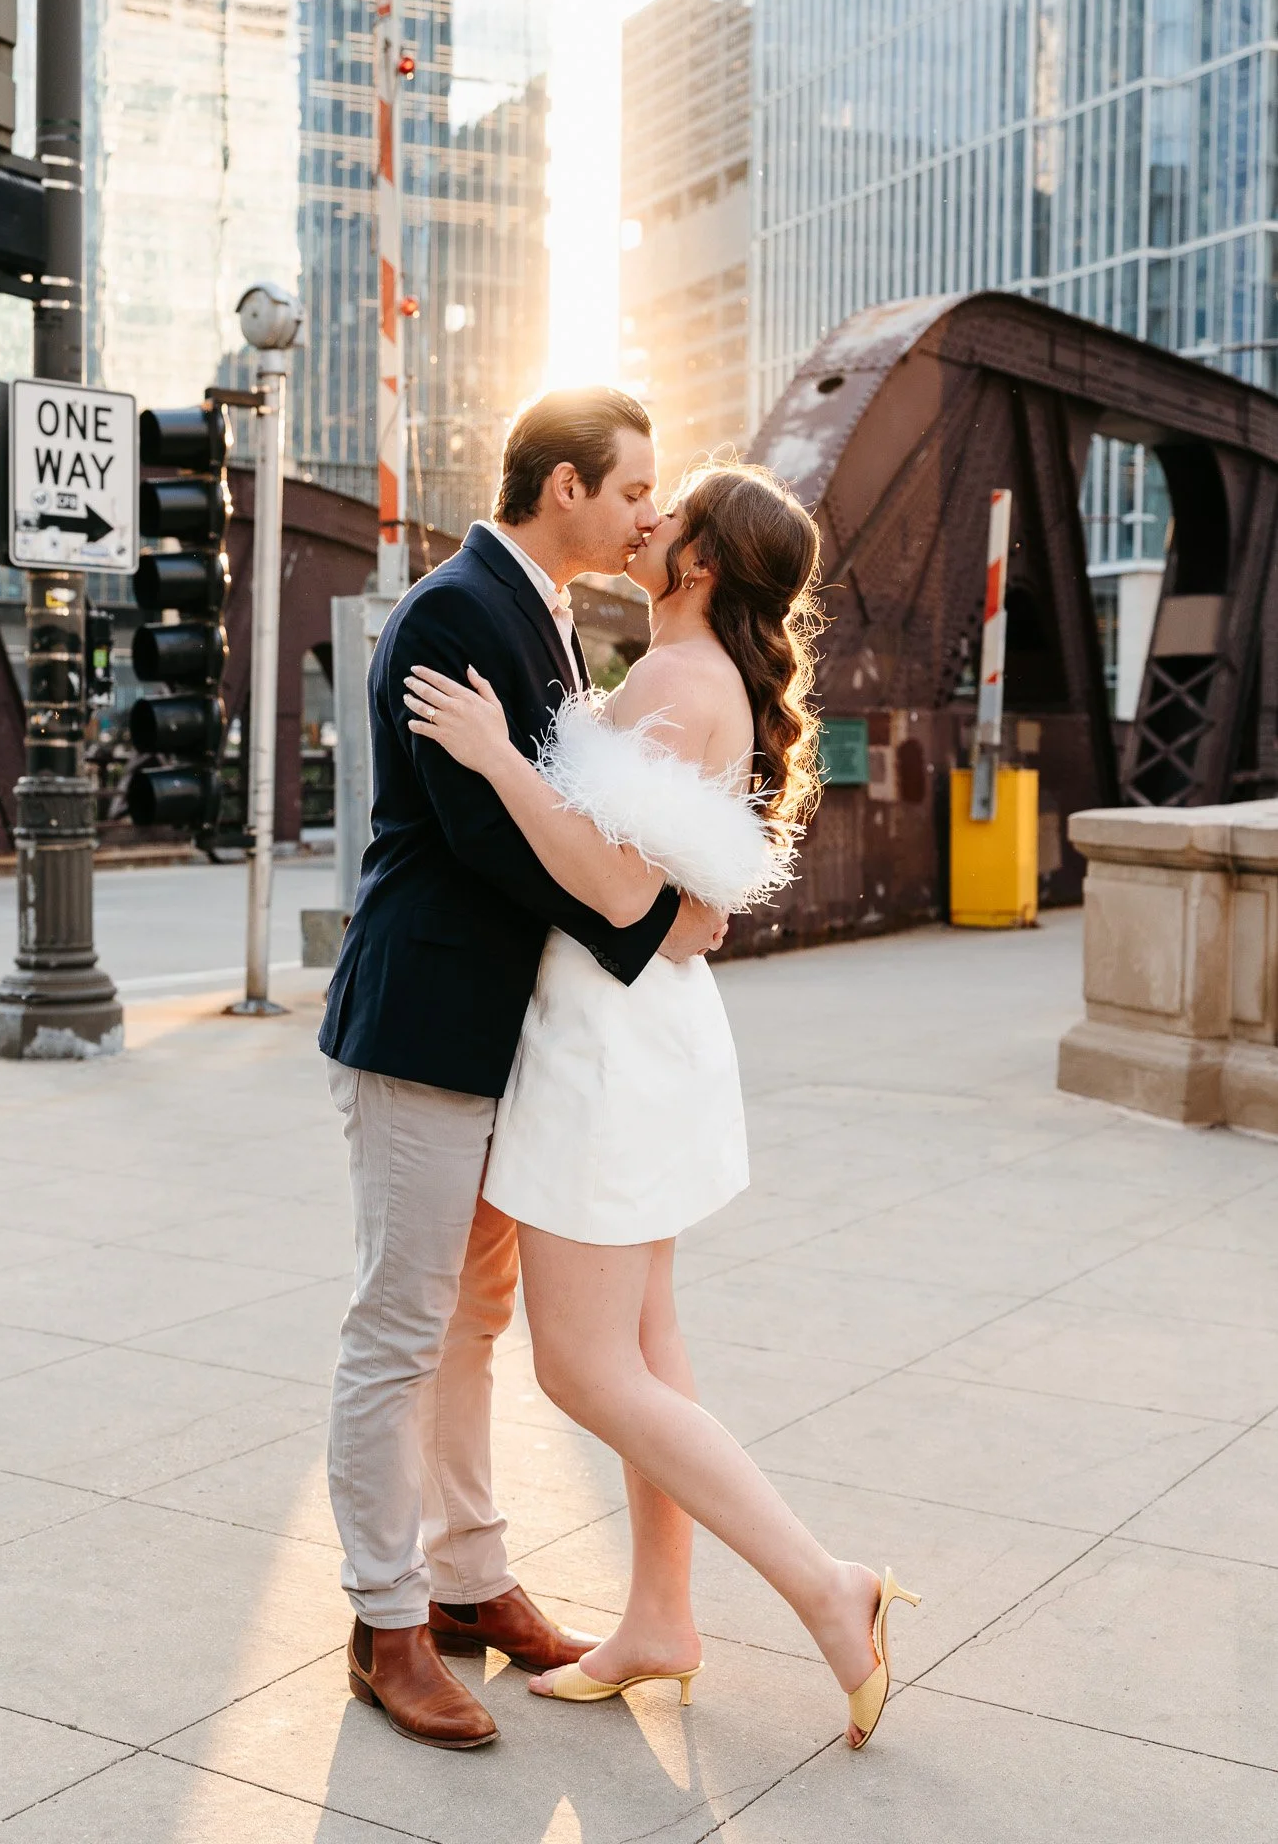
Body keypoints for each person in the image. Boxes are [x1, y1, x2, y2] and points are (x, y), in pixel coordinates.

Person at [403, 461, 920, 1750]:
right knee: (649, 1348)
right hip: (648, 1039)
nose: (648, 519)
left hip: (609, 1047)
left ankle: (824, 1587)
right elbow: (674, 903)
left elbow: (620, 891)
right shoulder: (705, 681)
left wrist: (492, 759)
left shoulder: (676, 685)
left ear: (695, 564)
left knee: (581, 1368)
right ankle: (660, 1623)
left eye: (666, 509)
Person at [319, 387, 728, 1752]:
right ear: (565, 487)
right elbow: (488, 837)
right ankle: (385, 1623)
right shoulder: (450, 613)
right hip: (426, 1024)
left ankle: (469, 1580)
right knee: (399, 1324)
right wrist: (654, 922)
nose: (647, 517)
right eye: (630, 494)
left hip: (508, 1042)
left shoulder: (549, 616)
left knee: (470, 1325)